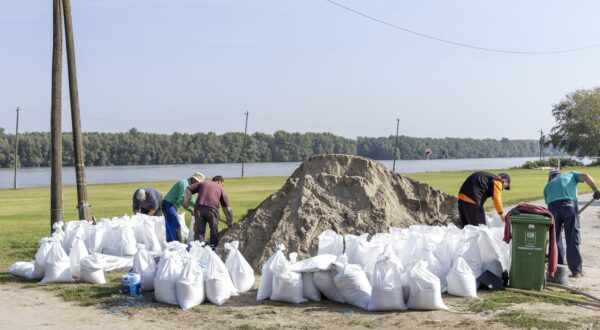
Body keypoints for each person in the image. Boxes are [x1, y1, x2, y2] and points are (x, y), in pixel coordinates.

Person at [544, 169, 600, 278]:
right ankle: (576, 271)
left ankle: (557, 269)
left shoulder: (547, 186)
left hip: (553, 209)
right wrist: (596, 190)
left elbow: (550, 204)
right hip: (569, 205)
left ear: (550, 177)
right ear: (560, 174)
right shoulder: (570, 174)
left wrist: (559, 216)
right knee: (572, 237)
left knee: (555, 239)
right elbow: (586, 175)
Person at [183, 175, 233, 248]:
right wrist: (229, 221)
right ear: (219, 181)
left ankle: (198, 249)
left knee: (199, 231)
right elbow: (226, 207)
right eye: (223, 184)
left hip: (199, 209)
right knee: (214, 230)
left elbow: (188, 189)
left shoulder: (202, 184)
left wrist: (186, 202)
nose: (223, 185)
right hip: (211, 210)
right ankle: (213, 248)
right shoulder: (220, 188)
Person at [162, 172, 205, 243]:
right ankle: (178, 246)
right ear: (195, 180)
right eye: (198, 183)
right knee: (176, 226)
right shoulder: (184, 184)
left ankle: (171, 246)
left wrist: (199, 207)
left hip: (171, 206)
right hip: (168, 205)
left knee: (170, 227)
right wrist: (191, 210)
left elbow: (190, 200)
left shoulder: (189, 186)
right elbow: (182, 200)